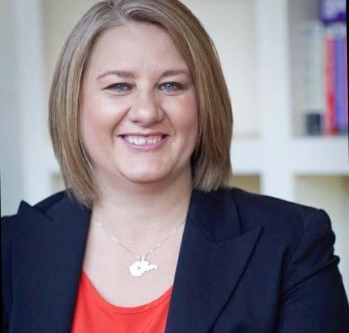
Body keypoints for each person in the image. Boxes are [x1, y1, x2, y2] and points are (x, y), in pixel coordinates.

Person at [2, 0, 349, 332]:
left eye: (171, 85)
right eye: (119, 86)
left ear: (204, 103)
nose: (146, 112)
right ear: (73, 105)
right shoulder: (12, 247)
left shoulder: (292, 243)